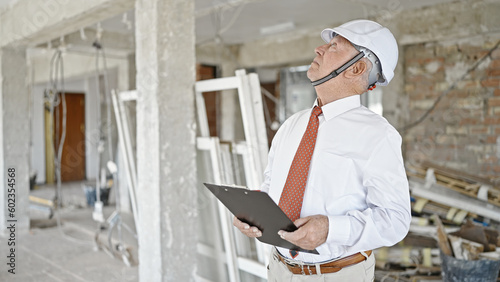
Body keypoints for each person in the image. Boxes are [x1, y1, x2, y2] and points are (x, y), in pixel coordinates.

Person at [233, 19, 411, 281]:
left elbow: (395, 220)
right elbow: (274, 183)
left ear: (357, 68)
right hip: (279, 269)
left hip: (337, 274)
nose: (319, 49)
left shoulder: (377, 134)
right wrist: (254, 214)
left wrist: (331, 229)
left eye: (334, 46)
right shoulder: (292, 124)